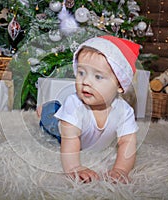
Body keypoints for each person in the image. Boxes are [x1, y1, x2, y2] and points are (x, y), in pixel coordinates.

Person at [38, 35, 140, 184]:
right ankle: (45, 109)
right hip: (66, 132)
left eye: (98, 76)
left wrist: (120, 170)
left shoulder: (124, 111)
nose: (85, 81)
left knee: (60, 111)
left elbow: (127, 142)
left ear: (120, 85)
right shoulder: (75, 103)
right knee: (52, 121)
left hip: (81, 131)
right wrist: (75, 167)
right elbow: (70, 140)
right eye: (81, 73)